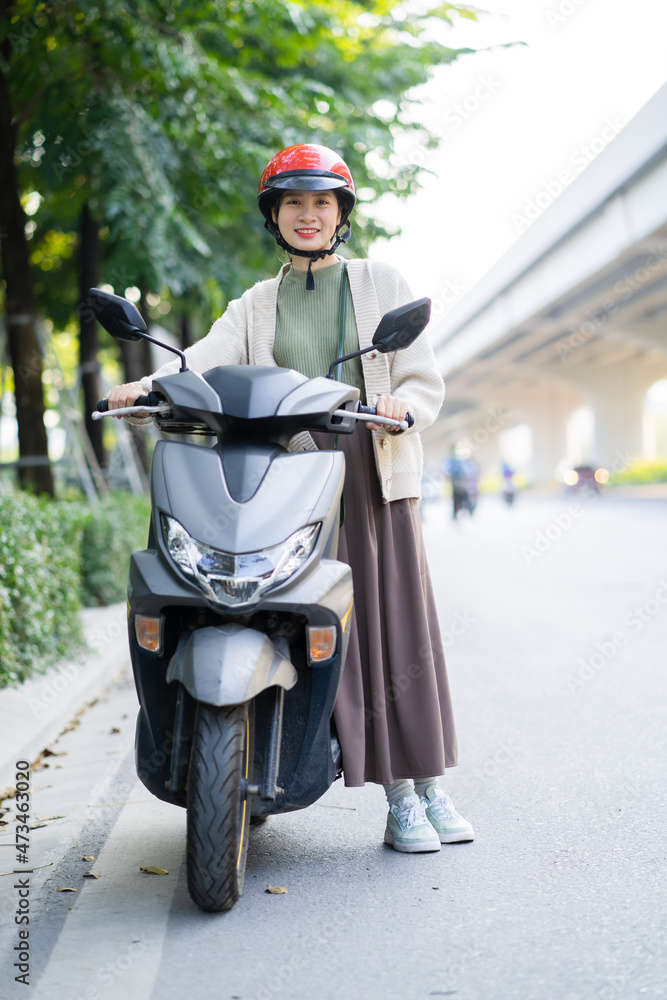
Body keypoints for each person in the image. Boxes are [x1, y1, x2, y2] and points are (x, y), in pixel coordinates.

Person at [108, 143, 473, 853]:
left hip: (369, 473)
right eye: (292, 204)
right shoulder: (258, 301)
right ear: (274, 217)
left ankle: (422, 788)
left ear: (341, 214)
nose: (307, 215)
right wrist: (147, 387)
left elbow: (422, 377)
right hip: (287, 476)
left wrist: (401, 401)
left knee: (390, 628)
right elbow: (202, 359)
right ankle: (370, 787)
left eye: (320, 203)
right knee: (319, 625)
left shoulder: (378, 279)